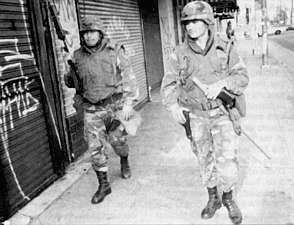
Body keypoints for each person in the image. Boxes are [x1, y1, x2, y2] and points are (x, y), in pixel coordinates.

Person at [160, 1, 249, 224]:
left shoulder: (225, 48)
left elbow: (242, 77)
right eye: (186, 22)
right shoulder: (179, 53)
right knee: (204, 159)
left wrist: (223, 84)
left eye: (194, 21)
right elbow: (169, 83)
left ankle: (228, 197)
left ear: (208, 22)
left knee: (227, 160)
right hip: (196, 117)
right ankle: (213, 198)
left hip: (222, 115)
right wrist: (173, 106)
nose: (189, 26)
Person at [64, 16, 139, 204]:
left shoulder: (115, 50)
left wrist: (129, 102)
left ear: (100, 32)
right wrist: (70, 73)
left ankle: (124, 160)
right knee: (95, 147)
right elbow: (71, 83)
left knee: (118, 141)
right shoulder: (77, 56)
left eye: (92, 32)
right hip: (91, 108)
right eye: (85, 33)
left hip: (115, 106)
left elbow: (129, 76)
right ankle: (104, 185)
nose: (89, 36)